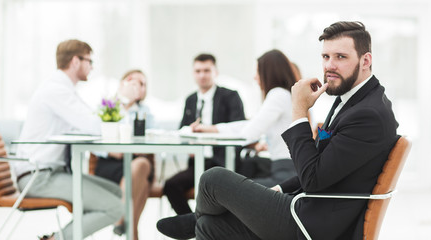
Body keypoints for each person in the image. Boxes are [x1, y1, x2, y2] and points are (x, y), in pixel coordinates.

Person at [156, 21, 399, 240]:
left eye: (340, 57)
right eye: (325, 57)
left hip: (311, 223)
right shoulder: (355, 101)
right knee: (209, 225)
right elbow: (323, 164)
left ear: (365, 60)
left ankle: (193, 219)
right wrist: (280, 188)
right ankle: (197, 219)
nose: (329, 65)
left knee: (212, 179)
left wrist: (298, 111)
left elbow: (313, 179)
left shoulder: (368, 114)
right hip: (309, 206)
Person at [11, 39, 124, 240]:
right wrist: (122, 99)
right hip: (39, 178)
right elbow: (94, 125)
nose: (91, 67)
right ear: (75, 61)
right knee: (114, 208)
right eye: (89, 61)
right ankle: (57, 239)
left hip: (49, 173)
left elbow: (89, 123)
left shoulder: (64, 90)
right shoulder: (57, 91)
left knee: (115, 191)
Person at [191, 49, 298, 187]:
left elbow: (249, 133)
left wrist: (212, 129)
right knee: (233, 181)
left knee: (224, 188)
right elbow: (249, 125)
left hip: (284, 174)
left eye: (258, 72)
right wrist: (209, 129)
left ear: (268, 73)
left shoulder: (277, 95)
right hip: (283, 169)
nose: (255, 77)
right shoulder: (283, 95)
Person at [163, 53, 246, 215]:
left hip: (223, 162)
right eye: (198, 71)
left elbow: (239, 128)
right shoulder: (191, 100)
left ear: (215, 72)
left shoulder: (230, 96)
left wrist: (207, 128)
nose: (202, 75)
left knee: (213, 191)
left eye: (206, 70)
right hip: (197, 162)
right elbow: (182, 131)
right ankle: (194, 228)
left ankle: (207, 229)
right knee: (171, 186)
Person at [94, 69, 155, 239]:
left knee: (141, 166)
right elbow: (94, 137)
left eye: (142, 84)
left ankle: (121, 217)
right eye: (133, 82)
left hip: (137, 163)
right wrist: (112, 151)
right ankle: (131, 229)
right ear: (123, 83)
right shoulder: (109, 107)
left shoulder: (145, 112)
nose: (137, 87)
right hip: (111, 165)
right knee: (140, 182)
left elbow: (150, 138)